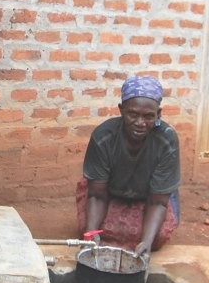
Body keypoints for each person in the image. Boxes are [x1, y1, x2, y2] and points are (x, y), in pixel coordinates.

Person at [76, 75, 181, 256]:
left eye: (148, 116)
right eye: (133, 114)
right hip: (109, 194)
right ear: (121, 110)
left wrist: (146, 242)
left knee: (153, 238)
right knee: (95, 232)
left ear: (159, 114)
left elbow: (158, 201)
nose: (140, 123)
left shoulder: (166, 140)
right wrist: (91, 233)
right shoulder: (104, 137)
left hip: (150, 198)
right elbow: (97, 195)